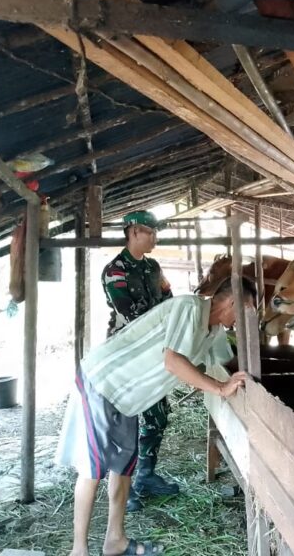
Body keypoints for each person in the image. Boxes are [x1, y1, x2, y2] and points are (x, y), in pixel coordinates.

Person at [57, 276, 256, 556]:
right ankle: (79, 550)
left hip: (129, 398)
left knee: (124, 464)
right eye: (245, 311)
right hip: (104, 381)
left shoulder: (214, 331)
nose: (244, 320)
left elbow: (227, 361)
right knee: (94, 467)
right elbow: (173, 361)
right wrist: (221, 388)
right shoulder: (190, 307)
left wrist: (255, 380)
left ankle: (115, 540)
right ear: (233, 302)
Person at [101, 210, 177, 509]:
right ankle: (125, 485)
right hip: (128, 353)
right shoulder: (114, 271)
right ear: (133, 232)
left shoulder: (154, 267)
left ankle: (146, 475)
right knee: (127, 422)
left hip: (154, 352)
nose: (155, 237)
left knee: (157, 416)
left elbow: (168, 297)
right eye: (150, 231)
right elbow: (129, 314)